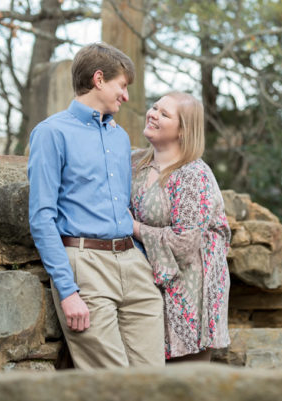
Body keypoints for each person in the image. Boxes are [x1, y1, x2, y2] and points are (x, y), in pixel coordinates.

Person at [28, 42, 164, 369]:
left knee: (155, 382)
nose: (127, 96)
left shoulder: (118, 137)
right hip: (85, 264)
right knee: (111, 385)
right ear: (99, 79)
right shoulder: (51, 133)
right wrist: (67, 290)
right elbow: (42, 218)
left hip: (133, 265)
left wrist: (140, 260)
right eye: (122, 85)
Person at [130, 91, 231, 362]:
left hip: (192, 287)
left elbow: (185, 242)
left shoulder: (192, 174)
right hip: (150, 281)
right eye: (154, 107)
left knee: (183, 380)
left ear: (183, 131)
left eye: (165, 114)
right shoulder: (135, 163)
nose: (153, 114)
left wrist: (134, 228)